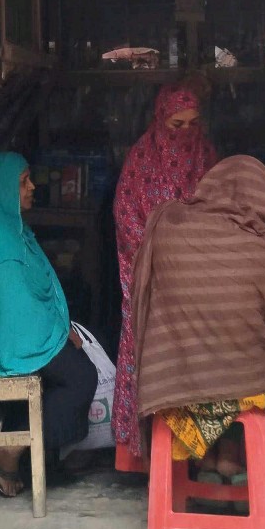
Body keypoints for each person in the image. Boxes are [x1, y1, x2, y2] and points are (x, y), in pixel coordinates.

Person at [130, 156, 265, 474]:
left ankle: (203, 456)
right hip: (245, 381)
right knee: (250, 374)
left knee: (209, 369)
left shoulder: (167, 225)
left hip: (172, 381)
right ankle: (230, 457)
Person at [0, 153, 98, 498]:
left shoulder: (9, 229)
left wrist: (61, 328)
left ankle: (24, 443)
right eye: (22, 182)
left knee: (77, 361)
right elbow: (17, 314)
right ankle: (10, 449)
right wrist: (59, 333)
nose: (32, 187)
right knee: (81, 377)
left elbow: (23, 308)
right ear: (0, 190)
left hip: (13, 332)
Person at [112, 82, 218, 470]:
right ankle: (149, 455)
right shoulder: (140, 160)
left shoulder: (207, 157)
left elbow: (220, 213)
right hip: (151, 276)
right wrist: (164, 256)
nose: (185, 133)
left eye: (193, 124)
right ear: (160, 120)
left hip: (199, 277)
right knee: (151, 352)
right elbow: (126, 218)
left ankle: (202, 451)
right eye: (177, 125)